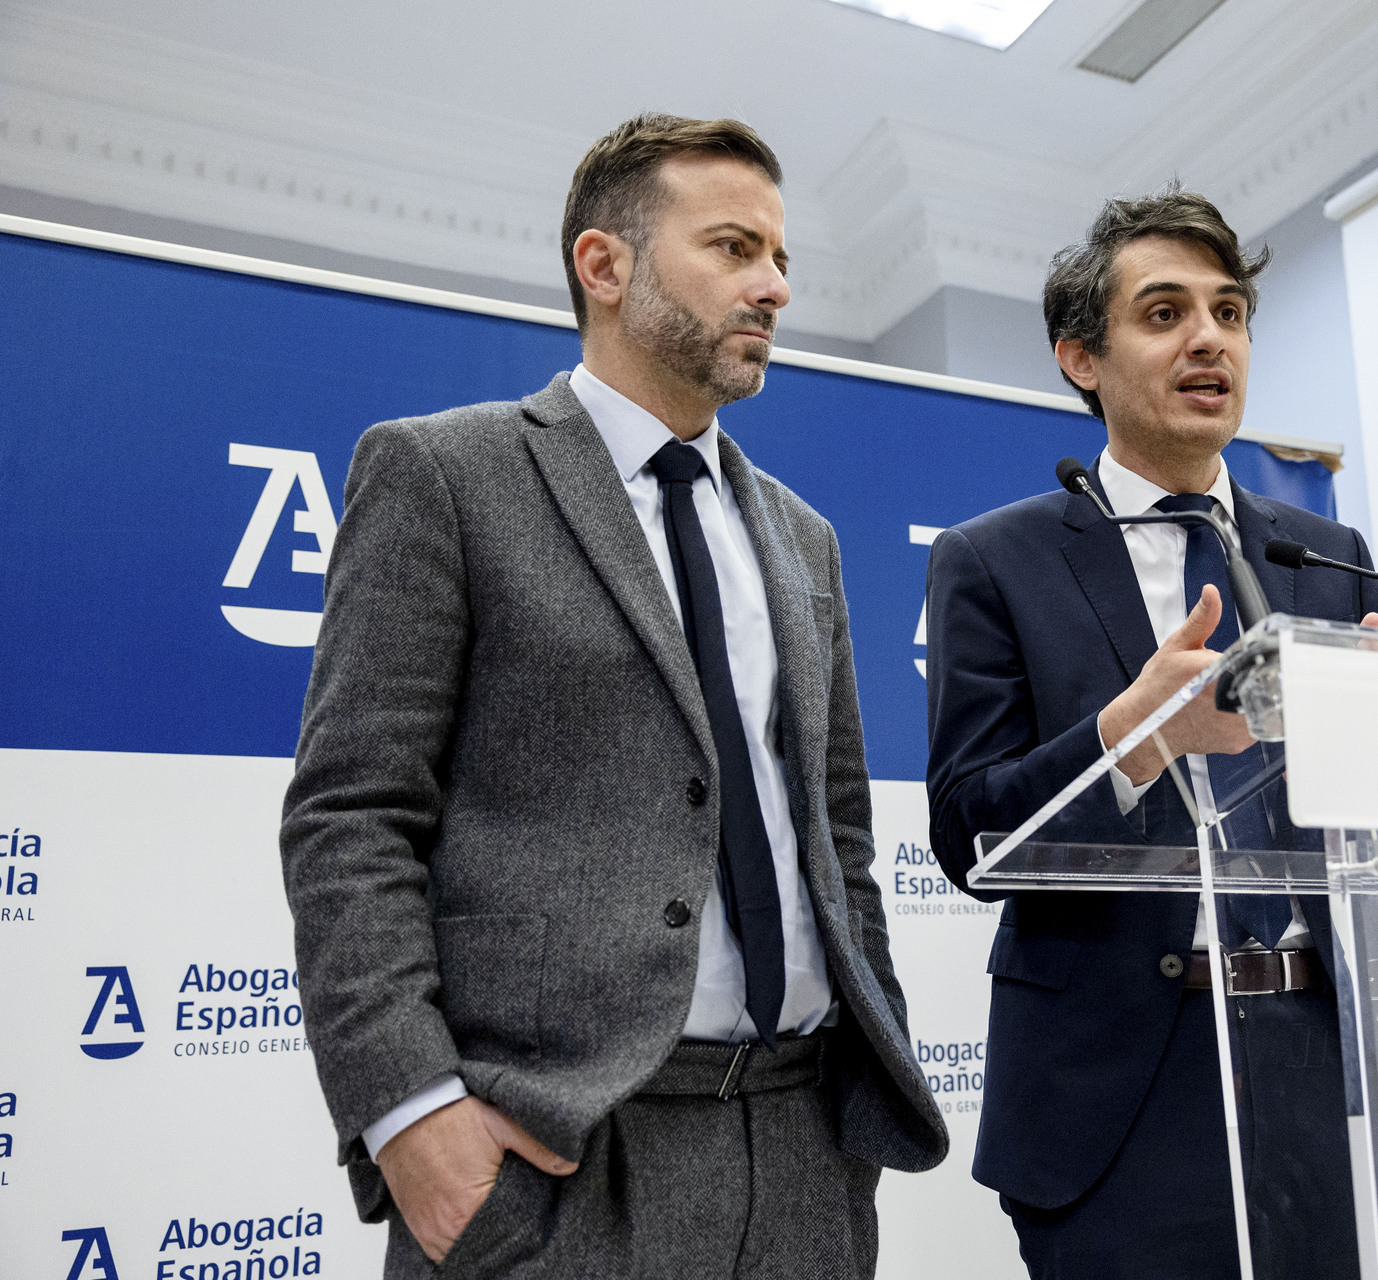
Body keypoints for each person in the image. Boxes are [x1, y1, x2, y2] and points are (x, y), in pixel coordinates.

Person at [281, 113, 946, 1280]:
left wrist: (863, 1062)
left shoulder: (806, 540)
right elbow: (353, 815)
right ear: (605, 264)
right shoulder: (445, 472)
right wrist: (408, 1113)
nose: (775, 286)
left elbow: (837, 831)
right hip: (557, 1155)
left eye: (781, 259)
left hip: (803, 1149)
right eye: (735, 248)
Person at [923, 186, 1378, 1280]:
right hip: (1119, 1098)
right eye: (1166, 312)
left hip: (1331, 1068)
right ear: (1081, 356)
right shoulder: (994, 559)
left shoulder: (1325, 551)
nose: (1209, 340)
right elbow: (966, 832)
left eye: (1229, 313)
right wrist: (1131, 737)